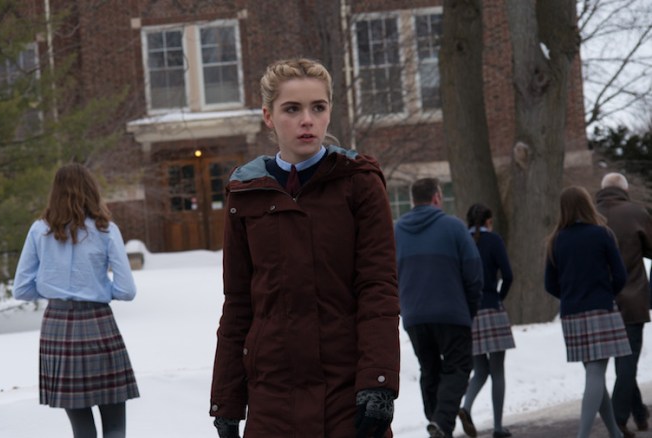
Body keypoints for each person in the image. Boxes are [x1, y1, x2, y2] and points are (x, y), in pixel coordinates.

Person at [209, 58, 400, 438]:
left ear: (330, 112)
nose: (307, 120)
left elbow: (377, 287)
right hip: (271, 394)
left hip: (346, 389)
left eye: (318, 107)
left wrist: (378, 380)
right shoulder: (245, 193)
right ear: (269, 116)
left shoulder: (359, 183)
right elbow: (239, 302)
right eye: (292, 109)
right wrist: (227, 400)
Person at [13, 163, 139, 438]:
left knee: (82, 430)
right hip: (98, 323)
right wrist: (99, 290)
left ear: (55, 192)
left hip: (57, 327)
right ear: (91, 190)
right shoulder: (106, 229)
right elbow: (127, 290)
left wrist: (53, 290)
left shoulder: (39, 230)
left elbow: (21, 289)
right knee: (115, 426)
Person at [394, 177, 483, 438]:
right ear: (436, 198)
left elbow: (386, 274)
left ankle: (436, 422)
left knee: (429, 369)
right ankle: (441, 423)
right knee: (458, 366)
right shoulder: (454, 227)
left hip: (414, 314)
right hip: (451, 311)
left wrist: (403, 305)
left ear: (413, 200)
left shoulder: (396, 231)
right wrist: (469, 309)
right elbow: (474, 273)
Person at [545, 185, 631, 438]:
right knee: (595, 374)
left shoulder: (556, 240)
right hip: (600, 309)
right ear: (587, 205)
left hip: (572, 314)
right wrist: (606, 293)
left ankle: (614, 432)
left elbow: (550, 284)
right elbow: (620, 275)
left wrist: (571, 296)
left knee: (594, 375)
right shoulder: (601, 234)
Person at [595, 172, 652, 437]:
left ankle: (639, 413)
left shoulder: (590, 216)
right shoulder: (636, 213)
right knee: (627, 362)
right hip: (632, 297)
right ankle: (618, 418)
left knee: (624, 364)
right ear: (625, 190)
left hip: (598, 301)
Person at [458, 203, 514, 438]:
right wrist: (499, 297)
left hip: (469, 313)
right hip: (492, 308)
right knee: (497, 370)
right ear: (489, 221)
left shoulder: (461, 240)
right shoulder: (494, 240)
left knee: (480, 369)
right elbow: (508, 275)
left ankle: (466, 407)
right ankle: (498, 427)